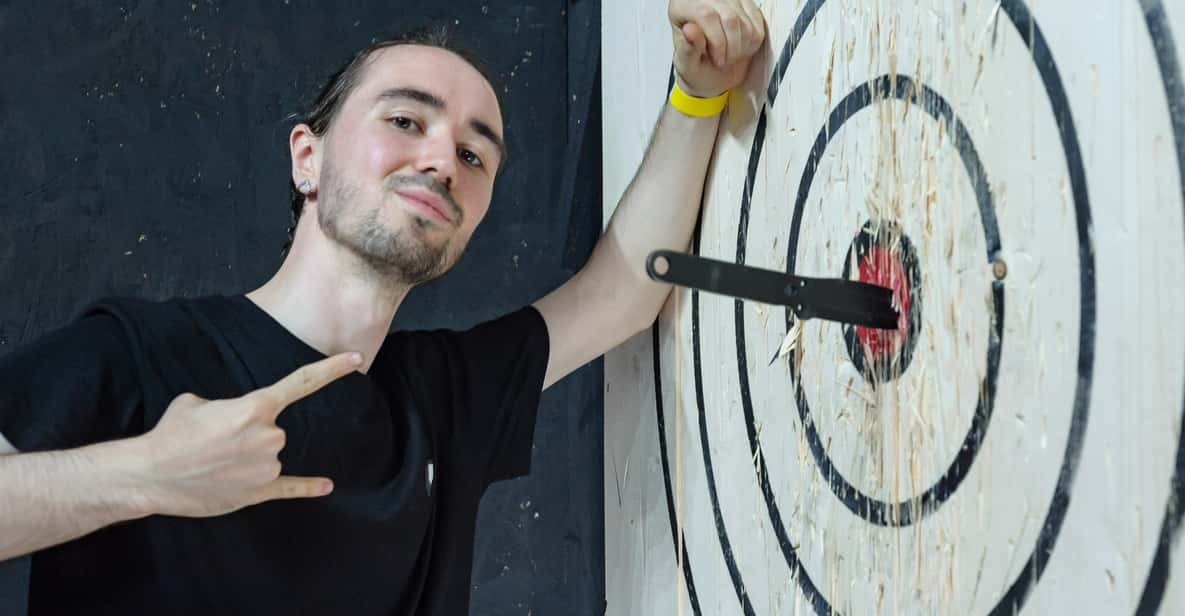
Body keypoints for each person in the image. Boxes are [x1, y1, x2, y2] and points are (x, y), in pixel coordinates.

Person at [0, 0, 765, 613]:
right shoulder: (137, 353)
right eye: (405, 120)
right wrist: (147, 473)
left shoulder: (441, 399)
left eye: (474, 155)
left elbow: (619, 293)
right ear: (308, 156)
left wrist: (696, 93)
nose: (440, 161)